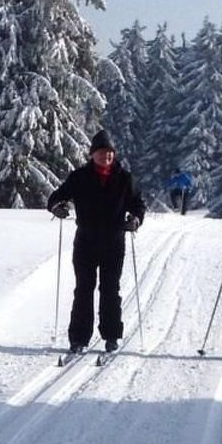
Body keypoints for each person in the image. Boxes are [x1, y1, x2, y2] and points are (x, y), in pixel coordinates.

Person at [48, 130, 145, 354]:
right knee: (84, 289)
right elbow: (55, 197)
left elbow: (138, 204)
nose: (106, 157)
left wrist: (135, 220)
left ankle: (111, 336)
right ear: (92, 154)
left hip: (114, 243)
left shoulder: (124, 178)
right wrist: (57, 208)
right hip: (85, 243)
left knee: (110, 289)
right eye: (102, 153)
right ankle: (79, 339)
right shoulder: (79, 177)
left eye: (110, 153)